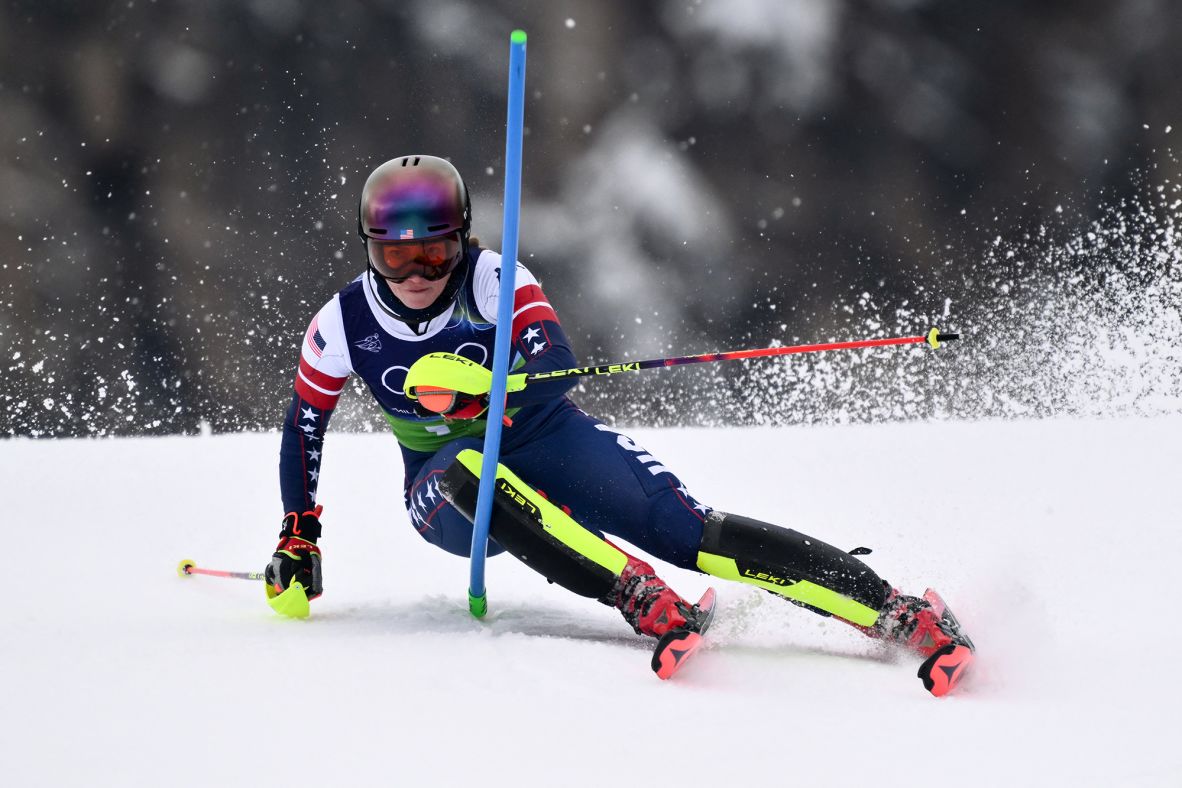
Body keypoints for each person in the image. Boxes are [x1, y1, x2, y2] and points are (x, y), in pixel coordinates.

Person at [264, 155, 975, 695]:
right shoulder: (343, 323)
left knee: (686, 530)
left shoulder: (494, 280)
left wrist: (488, 396)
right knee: (466, 470)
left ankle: (898, 612)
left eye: (434, 252)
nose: (416, 273)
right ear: (369, 249)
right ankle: (640, 598)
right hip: (442, 486)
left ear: (462, 240)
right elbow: (304, 426)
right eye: (395, 255)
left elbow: (556, 362)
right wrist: (299, 533)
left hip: (543, 435)